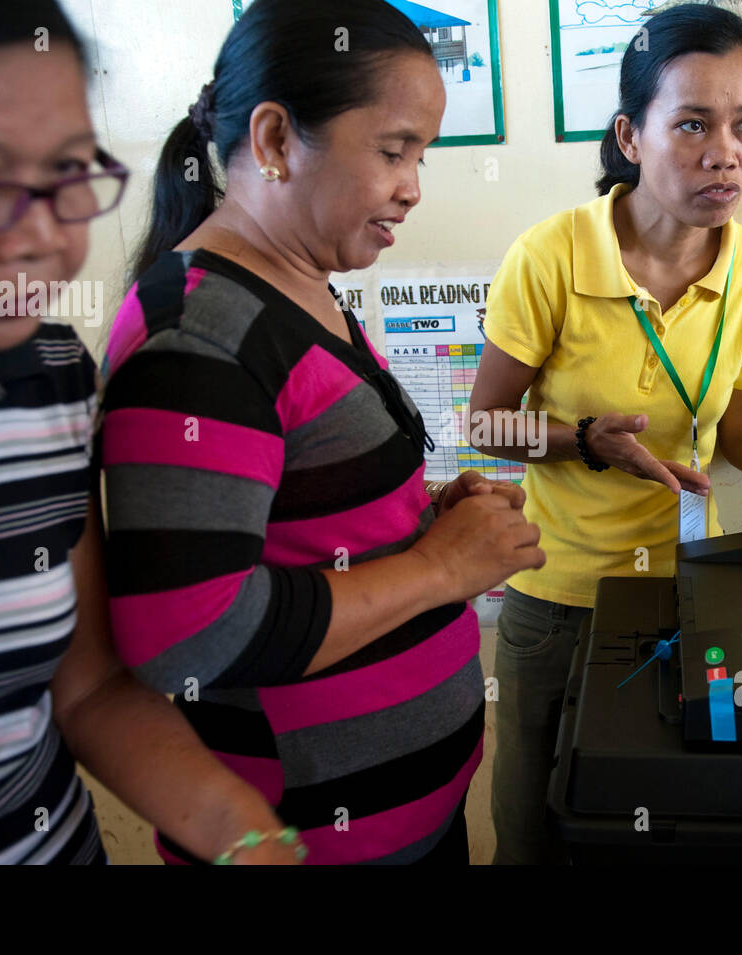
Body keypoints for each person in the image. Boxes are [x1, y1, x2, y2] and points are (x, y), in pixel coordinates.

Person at [0, 0, 306, 864]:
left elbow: (90, 688)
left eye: (64, 175)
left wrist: (250, 842)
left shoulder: (47, 377)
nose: (41, 239)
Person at [99, 0, 543, 865]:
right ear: (272, 140)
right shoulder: (204, 338)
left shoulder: (296, 287)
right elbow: (186, 634)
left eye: (422, 154)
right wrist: (439, 566)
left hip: (406, 826)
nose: (413, 185)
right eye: (392, 150)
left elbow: (303, 517)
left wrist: (420, 518)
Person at [468, 5, 742, 864]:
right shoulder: (549, 257)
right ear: (630, 134)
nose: (724, 150)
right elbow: (483, 421)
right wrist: (584, 439)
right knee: (533, 830)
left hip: (689, 593)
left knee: (668, 824)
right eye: (692, 123)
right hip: (557, 600)